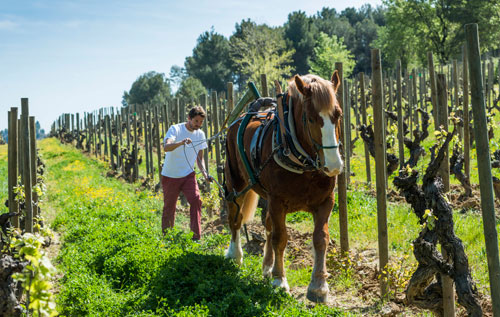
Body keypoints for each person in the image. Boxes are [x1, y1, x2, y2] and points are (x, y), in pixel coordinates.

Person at [161, 106, 211, 240]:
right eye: (196, 121)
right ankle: (167, 237)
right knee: (169, 207)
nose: (198, 125)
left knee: (196, 201)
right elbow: (166, 147)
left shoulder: (200, 134)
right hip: (170, 175)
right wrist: (181, 143)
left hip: (188, 174)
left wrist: (205, 173)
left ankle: (196, 237)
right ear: (189, 118)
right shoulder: (175, 129)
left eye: (201, 122)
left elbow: (200, 159)